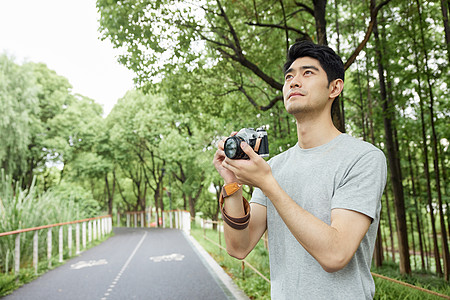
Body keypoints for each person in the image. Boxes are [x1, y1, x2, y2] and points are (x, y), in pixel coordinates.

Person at [212, 41, 387, 299]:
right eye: (289, 77)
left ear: (335, 87)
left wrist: (269, 184)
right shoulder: (274, 167)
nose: (294, 82)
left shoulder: (363, 158)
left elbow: (336, 254)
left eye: (308, 73)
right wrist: (232, 185)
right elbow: (239, 246)